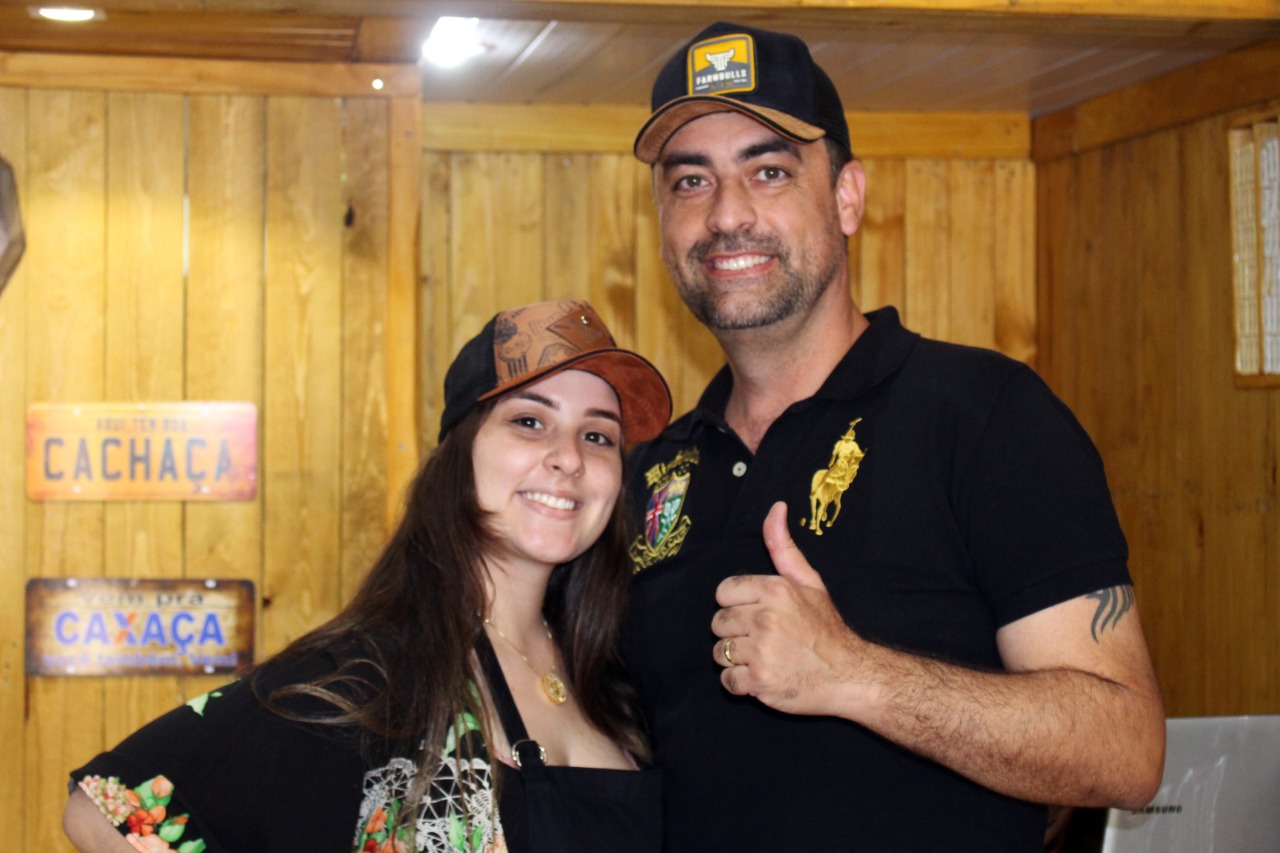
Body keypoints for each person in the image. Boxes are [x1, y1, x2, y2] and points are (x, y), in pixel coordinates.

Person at [622, 21, 1166, 851]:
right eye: (690, 181)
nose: (727, 214)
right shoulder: (654, 472)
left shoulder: (984, 414)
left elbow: (1125, 749)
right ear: (662, 221)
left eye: (769, 171)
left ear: (847, 197)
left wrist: (852, 673)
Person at [62, 299, 672, 853]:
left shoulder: (618, 668)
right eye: (530, 422)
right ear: (460, 454)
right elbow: (104, 811)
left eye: (598, 435)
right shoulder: (373, 671)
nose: (569, 457)